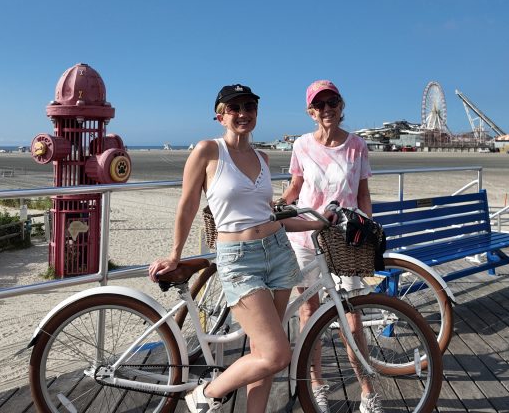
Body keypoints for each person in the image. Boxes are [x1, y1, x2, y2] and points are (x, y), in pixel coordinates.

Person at [149, 84, 314, 413]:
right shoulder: (208, 151)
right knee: (276, 354)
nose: (243, 113)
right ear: (220, 115)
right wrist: (175, 254)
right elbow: (188, 204)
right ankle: (207, 393)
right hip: (239, 261)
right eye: (235, 108)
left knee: (262, 351)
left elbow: (269, 213)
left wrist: (320, 222)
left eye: (250, 106)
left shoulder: (263, 157)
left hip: (279, 253)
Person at [280, 80, 382, 413]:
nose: (327, 110)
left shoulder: (357, 146)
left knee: (352, 318)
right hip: (305, 239)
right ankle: (317, 385)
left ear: (341, 106)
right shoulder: (301, 145)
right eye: (320, 105)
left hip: (344, 239)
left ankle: (368, 392)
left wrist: (366, 225)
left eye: (332, 102)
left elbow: (363, 193)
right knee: (309, 315)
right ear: (311, 112)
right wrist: (274, 208)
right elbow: (296, 186)